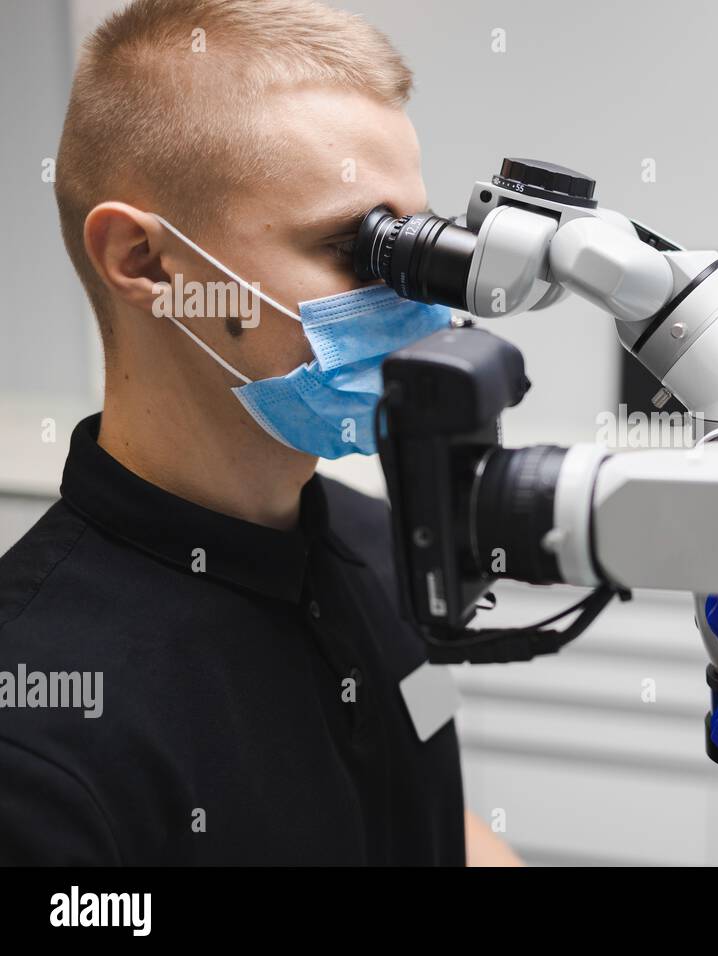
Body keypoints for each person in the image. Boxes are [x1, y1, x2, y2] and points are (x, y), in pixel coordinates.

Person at [0, 0, 518, 865]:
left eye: (419, 243)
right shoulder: (39, 731)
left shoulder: (379, 540)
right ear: (144, 262)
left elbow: (434, 812)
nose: (419, 302)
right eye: (360, 246)